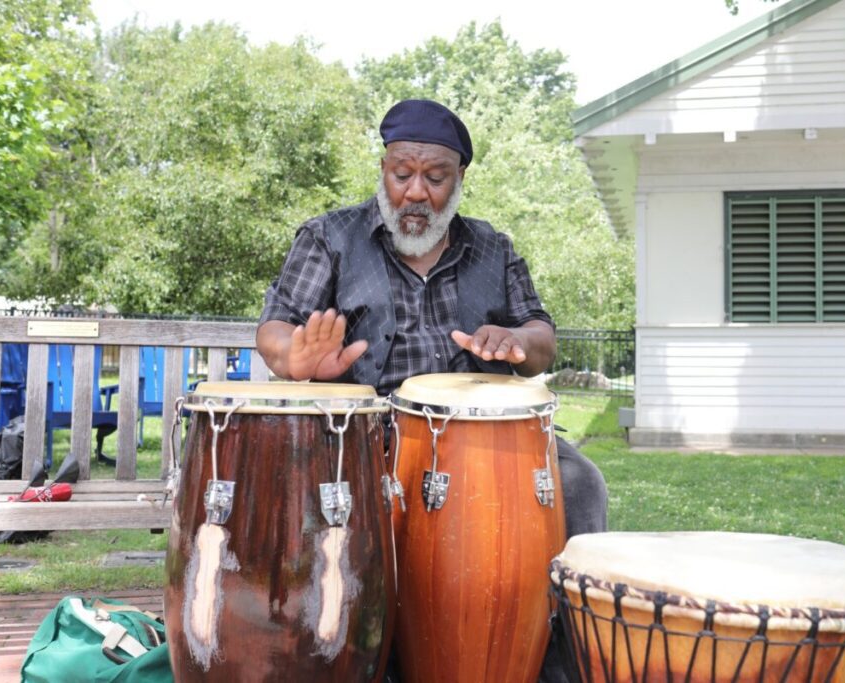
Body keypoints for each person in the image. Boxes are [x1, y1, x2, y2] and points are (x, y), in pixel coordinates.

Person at [255, 98, 605, 681]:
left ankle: (559, 663)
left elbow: (543, 336)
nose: (416, 193)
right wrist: (292, 355)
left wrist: (516, 340)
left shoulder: (493, 248)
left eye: (435, 177)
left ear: (459, 178)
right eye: (402, 175)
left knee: (580, 482)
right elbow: (276, 323)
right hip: (364, 436)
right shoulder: (330, 237)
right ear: (384, 170)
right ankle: (342, 654)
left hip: (487, 442)